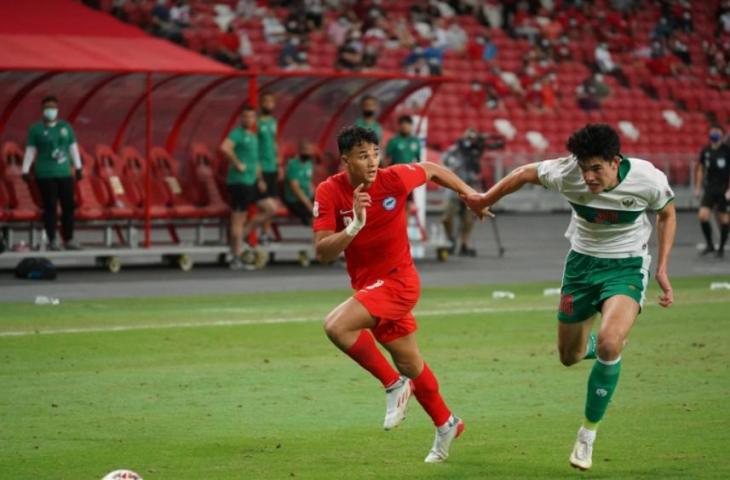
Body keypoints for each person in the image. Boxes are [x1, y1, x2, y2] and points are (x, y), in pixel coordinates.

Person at [463, 124, 676, 471]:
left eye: (596, 169)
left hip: (626, 266)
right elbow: (522, 173)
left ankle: (587, 434)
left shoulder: (647, 179)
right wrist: (485, 199)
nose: (588, 177)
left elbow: (666, 213)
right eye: (584, 168)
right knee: (569, 356)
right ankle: (603, 344)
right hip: (580, 267)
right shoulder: (566, 172)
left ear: (615, 161)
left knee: (609, 343)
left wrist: (663, 268)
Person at [314, 126, 491, 463]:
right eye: (362, 155)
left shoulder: (393, 179)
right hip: (369, 288)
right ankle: (447, 422)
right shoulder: (329, 191)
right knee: (411, 362)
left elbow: (433, 169)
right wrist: (354, 226)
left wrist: (470, 194)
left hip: (399, 282)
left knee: (337, 326)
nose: (371, 161)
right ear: (345, 160)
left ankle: (394, 385)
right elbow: (322, 251)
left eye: (375, 153)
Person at [22, 95, 83, 251]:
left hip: (64, 173)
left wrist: (78, 167)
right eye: (48, 107)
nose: (51, 111)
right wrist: (25, 169)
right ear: (42, 110)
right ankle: (52, 239)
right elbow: (30, 150)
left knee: (68, 206)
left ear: (57, 109)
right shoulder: (35, 129)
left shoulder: (65, 127)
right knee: (50, 207)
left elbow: (73, 148)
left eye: (53, 107)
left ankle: (68, 239)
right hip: (45, 173)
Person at [219, 105, 276, 270]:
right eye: (245, 117)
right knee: (238, 219)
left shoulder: (253, 136)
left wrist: (260, 179)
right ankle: (235, 257)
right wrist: (237, 163)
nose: (248, 120)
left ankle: (239, 238)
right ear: (241, 118)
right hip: (239, 183)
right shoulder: (237, 134)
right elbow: (224, 147)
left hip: (252, 182)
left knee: (270, 208)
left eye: (251, 117)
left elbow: (255, 160)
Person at [441, 130, 484, 257]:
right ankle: (450, 241)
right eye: (469, 138)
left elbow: (477, 170)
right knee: (447, 217)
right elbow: (444, 164)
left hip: (470, 187)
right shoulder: (453, 150)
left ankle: (464, 244)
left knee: (468, 219)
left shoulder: (474, 153)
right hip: (452, 187)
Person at [694, 125, 730, 257]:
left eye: (716, 132)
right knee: (703, 216)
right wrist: (698, 188)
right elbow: (700, 169)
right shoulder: (706, 150)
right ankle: (710, 245)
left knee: (724, 221)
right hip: (709, 189)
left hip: (724, 190)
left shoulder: (727, 150)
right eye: (712, 132)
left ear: (721, 134)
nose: (714, 134)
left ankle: (721, 248)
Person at [257, 93, 280, 244]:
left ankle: (265, 233)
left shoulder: (273, 122)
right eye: (266, 101)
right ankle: (254, 233)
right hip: (262, 167)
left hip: (272, 167)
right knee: (265, 203)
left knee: (272, 200)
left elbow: (273, 142)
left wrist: (278, 162)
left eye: (271, 101)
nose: (268, 104)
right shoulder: (257, 122)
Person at [283, 141, 315, 225]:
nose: (308, 153)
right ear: (300, 151)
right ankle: (320, 237)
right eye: (305, 150)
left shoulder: (309, 163)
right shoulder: (293, 164)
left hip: (307, 197)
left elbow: (309, 183)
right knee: (315, 215)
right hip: (294, 200)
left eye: (309, 150)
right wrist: (309, 204)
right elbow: (295, 189)